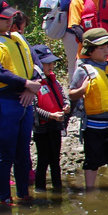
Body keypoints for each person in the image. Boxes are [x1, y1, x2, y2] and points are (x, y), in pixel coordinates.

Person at [0, 0, 42, 206]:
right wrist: (26, 84)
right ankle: (4, 199)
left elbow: (37, 62)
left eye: (10, 17)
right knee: (6, 153)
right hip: (6, 101)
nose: (8, 21)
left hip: (26, 98)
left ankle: (24, 194)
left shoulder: (18, 37)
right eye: (3, 18)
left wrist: (31, 86)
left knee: (23, 151)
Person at [70, 28, 108, 189]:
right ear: (90, 51)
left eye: (107, 46)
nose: (106, 50)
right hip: (93, 124)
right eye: (101, 48)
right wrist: (82, 90)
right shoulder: (83, 70)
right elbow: (72, 94)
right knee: (92, 160)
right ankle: (90, 189)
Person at [32, 44, 68, 191]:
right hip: (42, 127)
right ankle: (40, 188)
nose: (51, 65)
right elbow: (33, 108)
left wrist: (66, 106)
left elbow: (64, 97)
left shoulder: (54, 81)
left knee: (55, 159)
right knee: (43, 159)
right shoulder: (34, 83)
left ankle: (57, 187)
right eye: (47, 63)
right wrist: (50, 115)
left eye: (52, 62)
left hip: (55, 125)